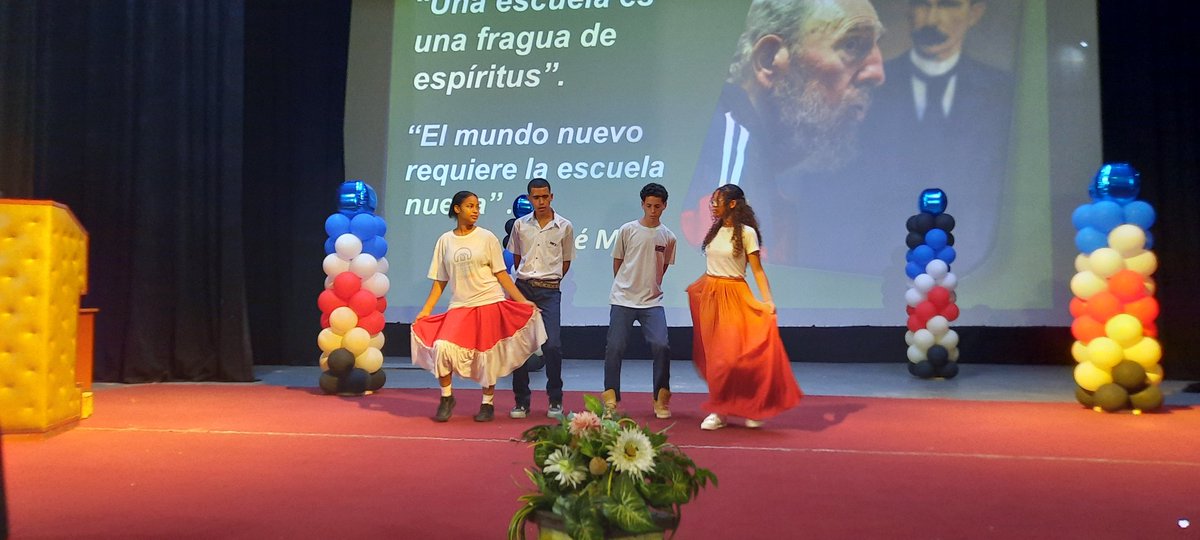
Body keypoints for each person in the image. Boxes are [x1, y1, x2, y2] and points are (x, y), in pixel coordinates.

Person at [681, 0, 886, 267]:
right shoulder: (727, 145)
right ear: (769, 60)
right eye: (851, 45)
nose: (878, 73)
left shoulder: (767, 159)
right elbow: (718, 284)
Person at [854, 0, 1014, 273]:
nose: (932, 19)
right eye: (922, 5)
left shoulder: (1004, 91)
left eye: (948, 6)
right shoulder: (866, 88)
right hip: (876, 259)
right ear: (908, 11)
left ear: (974, 13)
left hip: (971, 259)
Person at [411, 191, 546, 423]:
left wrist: (521, 301)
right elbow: (440, 280)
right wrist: (426, 310)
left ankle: (487, 403)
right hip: (460, 305)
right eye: (470, 206)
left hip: (489, 300)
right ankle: (446, 397)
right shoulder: (445, 241)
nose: (475, 210)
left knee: (486, 354)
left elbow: (501, 275)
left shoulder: (486, 238)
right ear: (457, 209)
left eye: (477, 206)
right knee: (443, 347)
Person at [687, 184, 802, 430]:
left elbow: (757, 271)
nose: (713, 206)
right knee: (716, 359)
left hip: (735, 294)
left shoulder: (747, 233)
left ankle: (752, 405)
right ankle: (720, 411)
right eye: (712, 201)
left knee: (734, 358)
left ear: (732, 204)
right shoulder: (715, 230)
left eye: (717, 201)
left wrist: (768, 300)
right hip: (711, 295)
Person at [602, 183, 677, 418]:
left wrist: (649, 286)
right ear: (642, 204)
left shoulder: (669, 236)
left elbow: (662, 267)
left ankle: (660, 400)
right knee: (615, 348)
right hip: (623, 299)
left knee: (661, 345)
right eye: (648, 205)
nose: (653, 210)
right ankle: (611, 400)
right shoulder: (628, 230)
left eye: (657, 206)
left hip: (652, 302)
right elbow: (618, 261)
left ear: (664, 206)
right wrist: (625, 285)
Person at [507, 178, 575, 419]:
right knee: (520, 347)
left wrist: (549, 280)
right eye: (536, 197)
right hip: (523, 289)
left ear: (551, 197)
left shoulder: (564, 226)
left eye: (545, 196)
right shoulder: (520, 225)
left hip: (549, 291)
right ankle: (521, 401)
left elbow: (566, 262)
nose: (541, 201)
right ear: (530, 199)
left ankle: (555, 399)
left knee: (552, 345)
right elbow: (516, 259)